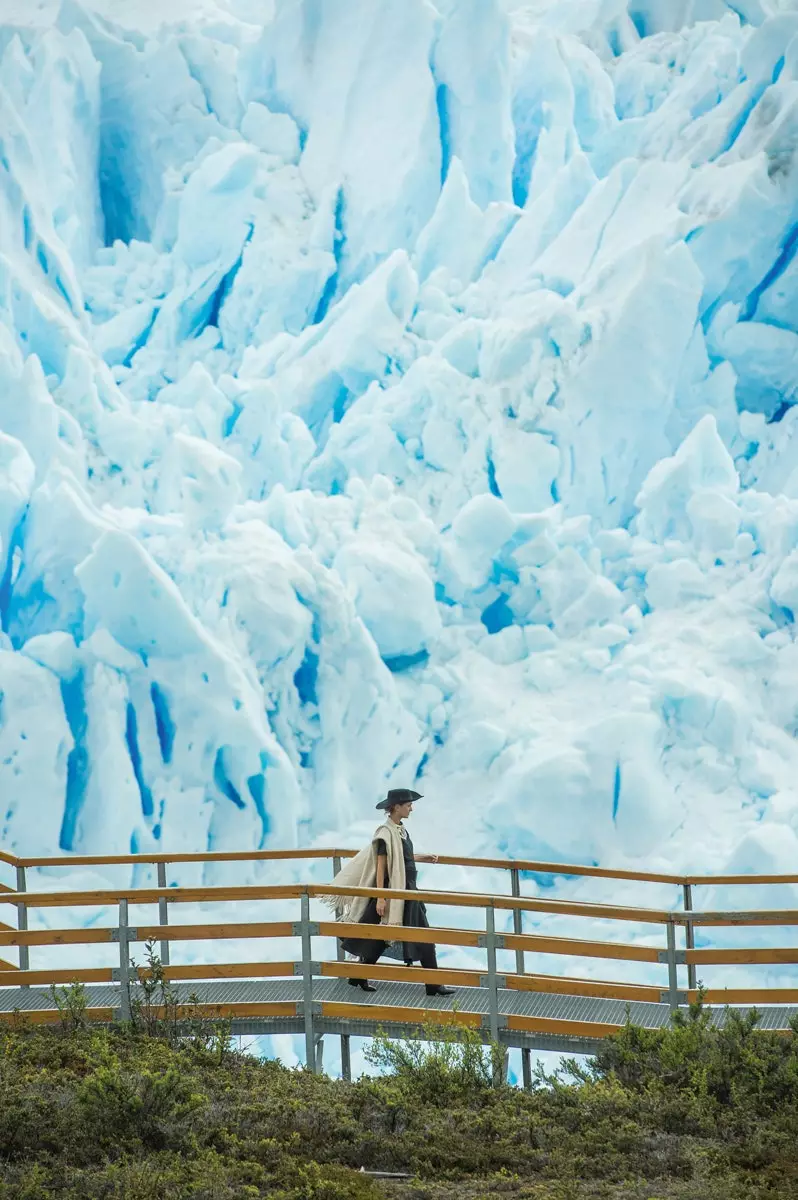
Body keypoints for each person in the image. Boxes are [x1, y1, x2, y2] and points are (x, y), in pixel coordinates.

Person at [323, 788, 455, 997]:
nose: (411, 808)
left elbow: (402, 858)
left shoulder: (400, 830)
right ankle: (433, 985)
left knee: (382, 937)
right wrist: (381, 898)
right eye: (408, 805)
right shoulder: (385, 834)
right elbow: (382, 866)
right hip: (394, 892)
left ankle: (359, 975)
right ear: (396, 807)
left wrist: (422, 858)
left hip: (406, 890)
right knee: (416, 935)